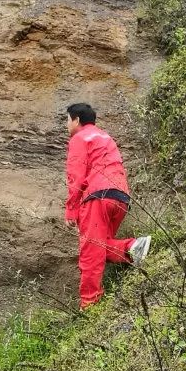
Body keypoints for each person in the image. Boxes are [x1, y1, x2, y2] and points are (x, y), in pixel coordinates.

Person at [64, 103, 152, 308]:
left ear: (76, 120)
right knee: (101, 245)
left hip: (98, 197)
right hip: (120, 197)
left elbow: (75, 177)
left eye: (67, 120)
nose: (66, 125)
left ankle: (89, 305)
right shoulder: (105, 138)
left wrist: (71, 209)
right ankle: (133, 248)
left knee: (90, 253)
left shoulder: (80, 138)